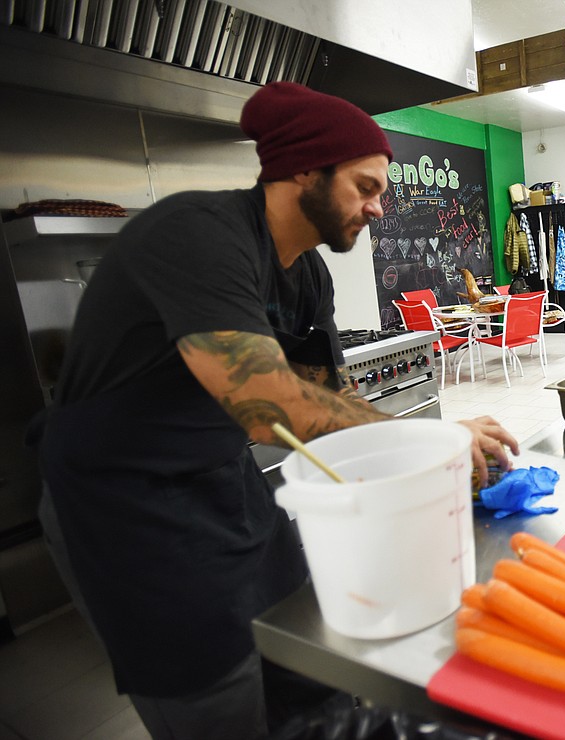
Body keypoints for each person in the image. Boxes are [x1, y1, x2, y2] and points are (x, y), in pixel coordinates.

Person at [31, 81, 519, 739]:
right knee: (212, 687)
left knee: (304, 646)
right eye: (366, 187)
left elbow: (328, 401)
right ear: (305, 172)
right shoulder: (196, 233)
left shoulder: (307, 274)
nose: (379, 208)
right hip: (123, 503)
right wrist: (439, 443)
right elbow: (268, 406)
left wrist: (418, 481)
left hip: (217, 474)